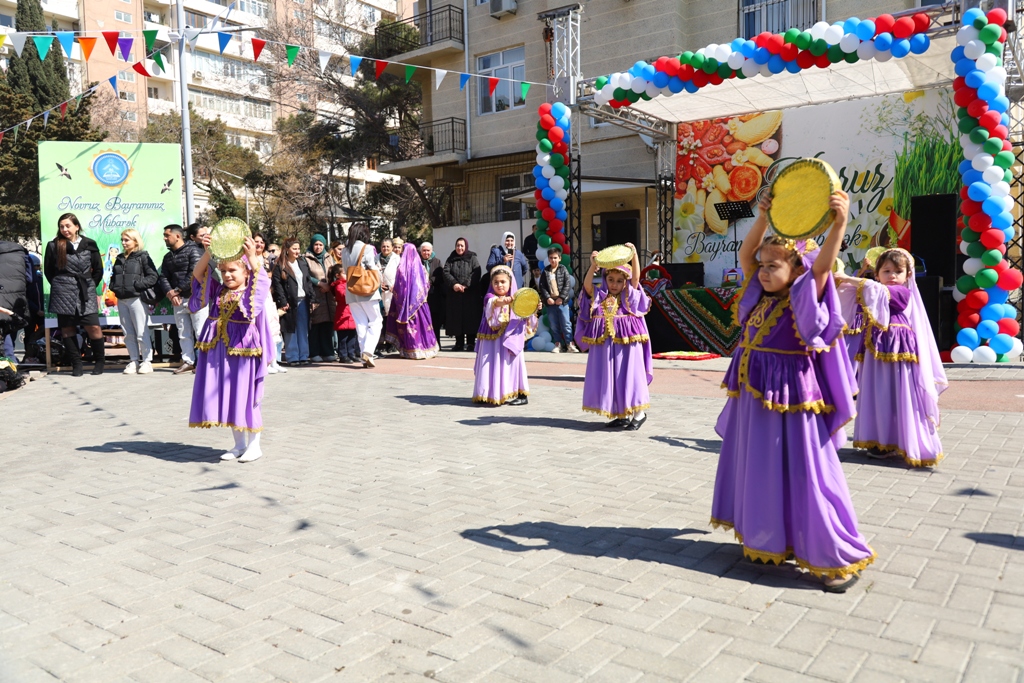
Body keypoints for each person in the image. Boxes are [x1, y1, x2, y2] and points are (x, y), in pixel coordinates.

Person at [712, 190, 874, 593]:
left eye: (773, 266)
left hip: (790, 394)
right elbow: (747, 255)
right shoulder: (757, 294)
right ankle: (771, 537)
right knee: (761, 465)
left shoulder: (804, 295)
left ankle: (829, 554)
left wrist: (839, 225)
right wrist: (763, 215)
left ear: (795, 268)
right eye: (762, 266)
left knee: (804, 469)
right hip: (754, 393)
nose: (763, 271)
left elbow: (819, 270)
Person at [840, 248, 946, 467]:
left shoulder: (902, 293)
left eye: (898, 271)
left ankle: (900, 439)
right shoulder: (873, 290)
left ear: (908, 275)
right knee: (875, 394)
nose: (892, 276)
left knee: (897, 395)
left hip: (897, 349)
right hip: (873, 349)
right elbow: (855, 299)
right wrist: (842, 281)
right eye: (886, 271)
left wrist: (848, 278)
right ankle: (878, 441)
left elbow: (875, 291)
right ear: (877, 273)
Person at [188, 233, 271, 463]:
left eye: (232, 271)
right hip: (220, 350)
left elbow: (262, 280)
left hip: (244, 350)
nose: (226, 275)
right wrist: (208, 253)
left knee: (246, 396)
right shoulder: (218, 290)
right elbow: (198, 274)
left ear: (245, 272)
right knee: (230, 396)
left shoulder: (252, 291)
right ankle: (239, 444)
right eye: (223, 271)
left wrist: (252, 257)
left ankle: (255, 445)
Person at [576, 244, 653, 430]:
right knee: (613, 377)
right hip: (607, 346)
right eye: (610, 279)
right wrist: (593, 266)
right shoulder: (599, 296)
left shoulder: (629, 296)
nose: (614, 284)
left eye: (619, 280)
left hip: (628, 346)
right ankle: (621, 414)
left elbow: (636, 279)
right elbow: (587, 286)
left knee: (629, 376)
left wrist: (634, 255)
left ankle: (639, 413)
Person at [44, 213, 105, 376]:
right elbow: (49, 271)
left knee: (93, 326)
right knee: (68, 328)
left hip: (86, 290)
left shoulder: (89, 244)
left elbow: (98, 269)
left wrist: (91, 285)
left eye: (68, 226)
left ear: (76, 226)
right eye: (61, 226)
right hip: (63, 292)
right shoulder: (54, 245)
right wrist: (61, 285)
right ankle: (76, 364)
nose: (64, 229)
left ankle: (100, 362)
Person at [472, 265, 537, 405]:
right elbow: (494, 302)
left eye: (503, 282)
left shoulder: (517, 299)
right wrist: (505, 301)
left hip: (511, 336)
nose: (499, 285)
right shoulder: (490, 297)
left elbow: (526, 314)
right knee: (488, 363)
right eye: (496, 282)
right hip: (491, 336)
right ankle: (487, 394)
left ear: (510, 283)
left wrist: (533, 307)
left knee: (514, 363)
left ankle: (520, 394)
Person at [109, 229, 159, 375]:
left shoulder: (143, 256)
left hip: (137, 298)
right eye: (122, 239)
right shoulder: (119, 258)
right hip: (122, 299)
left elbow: (153, 276)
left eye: (127, 240)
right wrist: (114, 287)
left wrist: (137, 285)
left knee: (141, 331)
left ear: (135, 241)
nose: (123, 243)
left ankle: (147, 361)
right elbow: (114, 276)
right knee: (128, 332)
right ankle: (134, 360)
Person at [159, 224, 205, 375]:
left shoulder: (194, 251)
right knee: (183, 332)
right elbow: (163, 277)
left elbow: (195, 273)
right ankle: (188, 362)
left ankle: (204, 363)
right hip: (178, 300)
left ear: (177, 236)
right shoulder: (167, 257)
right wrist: (171, 293)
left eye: (167, 235)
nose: (165, 238)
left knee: (200, 332)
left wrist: (177, 291)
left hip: (196, 297)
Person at [385, 241, 439, 359]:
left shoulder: (402, 268)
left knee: (411, 327)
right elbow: (426, 285)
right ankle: (424, 349)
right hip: (420, 304)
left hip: (405, 305)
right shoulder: (420, 267)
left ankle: (409, 350)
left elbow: (398, 287)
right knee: (421, 327)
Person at [341, 224, 383, 367]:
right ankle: (368, 351)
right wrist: (378, 270)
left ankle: (364, 353)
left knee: (360, 323)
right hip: (367, 290)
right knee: (376, 321)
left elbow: (346, 270)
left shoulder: (344, 251)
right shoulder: (368, 248)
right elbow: (371, 267)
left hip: (351, 291)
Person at [271, 238, 312, 365]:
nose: (297, 251)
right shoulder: (280, 265)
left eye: (298, 248)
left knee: (303, 329)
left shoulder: (302, 263)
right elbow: (277, 285)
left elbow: (308, 282)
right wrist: (282, 302)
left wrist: (313, 299)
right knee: (290, 330)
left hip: (303, 300)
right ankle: (293, 356)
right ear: (287, 250)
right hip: (289, 302)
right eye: (294, 249)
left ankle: (304, 355)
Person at [442, 237, 483, 352]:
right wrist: (454, 284)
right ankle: (459, 343)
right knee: (456, 319)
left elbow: (477, 272)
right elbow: (445, 272)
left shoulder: (472, 257)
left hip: (470, 295)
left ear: (466, 247)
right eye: (458, 245)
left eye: (462, 246)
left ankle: (470, 343)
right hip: (455, 295)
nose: (459, 248)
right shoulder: (451, 258)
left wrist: (466, 285)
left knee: (470, 319)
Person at [538, 245, 579, 353]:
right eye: (551, 258)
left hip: (562, 302)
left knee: (566, 323)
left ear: (559, 258)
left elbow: (567, 284)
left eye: (555, 257)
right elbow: (542, 286)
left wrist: (561, 297)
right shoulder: (546, 271)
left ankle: (570, 344)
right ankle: (558, 344)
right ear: (548, 259)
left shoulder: (563, 269)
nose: (553, 260)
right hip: (551, 303)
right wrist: (547, 298)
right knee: (554, 325)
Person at [253, 234, 285, 374]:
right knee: (261, 329)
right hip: (255, 297)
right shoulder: (247, 259)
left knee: (272, 328)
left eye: (261, 242)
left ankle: (274, 360)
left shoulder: (268, 259)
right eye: (256, 242)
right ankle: (263, 362)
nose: (259, 244)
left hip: (268, 297)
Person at [304, 234, 336, 362]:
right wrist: (319, 283)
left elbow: (334, 273)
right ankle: (315, 352)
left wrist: (330, 286)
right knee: (316, 325)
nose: (318, 247)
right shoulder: (306, 258)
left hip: (329, 296)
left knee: (328, 325)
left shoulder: (329, 257)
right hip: (315, 295)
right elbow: (306, 276)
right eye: (316, 244)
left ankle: (328, 351)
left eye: (320, 245)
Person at [0, 240, 31, 360]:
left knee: (3, 333)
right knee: (10, 329)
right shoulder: (20, 252)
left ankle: (9, 363)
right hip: (16, 299)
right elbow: (30, 278)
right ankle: (11, 363)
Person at [328, 264, 359, 363]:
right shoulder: (338, 285)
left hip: (351, 312)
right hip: (343, 313)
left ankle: (351, 353)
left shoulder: (348, 284)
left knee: (352, 336)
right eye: (345, 273)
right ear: (337, 275)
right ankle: (343, 355)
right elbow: (344, 296)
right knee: (343, 338)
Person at [420, 242, 446, 344]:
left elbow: (440, 276)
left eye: (428, 250)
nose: (426, 253)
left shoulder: (437, 261)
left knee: (435, 320)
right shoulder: (417, 261)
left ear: (432, 251)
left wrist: (428, 282)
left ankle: (436, 342)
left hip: (434, 295)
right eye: (424, 250)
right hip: (421, 297)